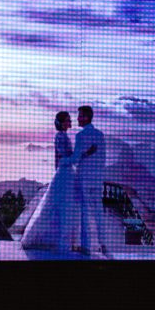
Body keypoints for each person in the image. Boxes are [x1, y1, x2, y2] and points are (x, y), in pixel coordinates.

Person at [21, 112, 80, 252]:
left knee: (61, 205)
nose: (69, 122)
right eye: (67, 120)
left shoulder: (62, 136)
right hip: (65, 173)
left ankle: (61, 240)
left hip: (65, 173)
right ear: (61, 122)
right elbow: (65, 155)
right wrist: (81, 153)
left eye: (69, 120)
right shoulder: (61, 136)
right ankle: (62, 242)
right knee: (64, 206)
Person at [71, 105, 107, 256]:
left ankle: (86, 246)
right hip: (98, 179)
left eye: (80, 116)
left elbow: (75, 159)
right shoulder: (100, 135)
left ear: (86, 117)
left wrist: (81, 155)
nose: (77, 118)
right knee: (99, 211)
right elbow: (103, 158)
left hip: (84, 178)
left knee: (85, 212)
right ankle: (103, 244)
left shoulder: (80, 136)